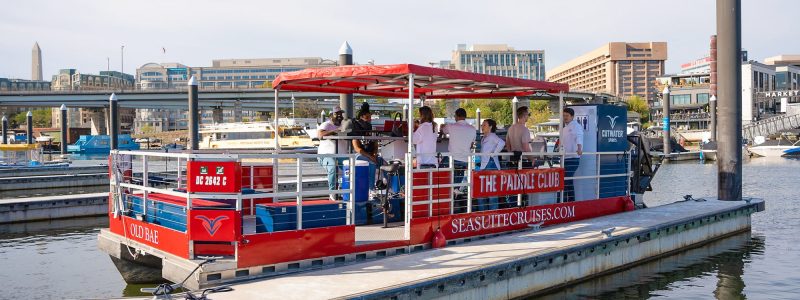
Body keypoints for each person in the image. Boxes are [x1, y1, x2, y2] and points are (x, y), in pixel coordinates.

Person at [440, 108, 476, 187]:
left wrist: (442, 127)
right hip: (465, 159)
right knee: (459, 174)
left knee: (440, 169)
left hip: (453, 158)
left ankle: (447, 189)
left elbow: (443, 130)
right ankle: (456, 189)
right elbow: (471, 145)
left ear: (456, 116)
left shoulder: (451, 126)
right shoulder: (473, 129)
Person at [351, 102, 383, 188]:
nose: (369, 119)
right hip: (360, 155)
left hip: (371, 155)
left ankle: (390, 188)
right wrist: (371, 157)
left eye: (370, 117)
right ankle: (371, 189)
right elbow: (357, 149)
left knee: (386, 164)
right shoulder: (356, 129)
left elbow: (375, 145)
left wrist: (374, 154)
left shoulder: (372, 129)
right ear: (361, 117)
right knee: (372, 163)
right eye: (367, 117)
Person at [317, 107, 344, 197]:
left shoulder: (344, 125)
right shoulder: (326, 124)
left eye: (341, 114)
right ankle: (332, 193)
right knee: (332, 166)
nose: (339, 116)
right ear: (331, 115)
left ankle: (349, 190)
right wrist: (334, 131)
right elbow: (320, 135)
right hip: (325, 155)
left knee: (355, 164)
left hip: (341, 156)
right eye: (337, 114)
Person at [479, 119, 504, 211]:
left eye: (484, 125)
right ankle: (485, 212)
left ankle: (491, 213)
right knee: (484, 192)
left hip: (490, 164)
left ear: (490, 127)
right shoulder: (484, 137)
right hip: (485, 165)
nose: (482, 127)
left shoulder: (492, 136)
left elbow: (502, 143)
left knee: (491, 193)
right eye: (482, 125)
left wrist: (494, 153)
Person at [560, 107, 584, 202]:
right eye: (564, 115)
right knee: (568, 180)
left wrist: (579, 148)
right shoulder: (564, 128)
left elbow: (579, 137)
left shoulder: (576, 126)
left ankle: (565, 201)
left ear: (572, 116)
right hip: (565, 158)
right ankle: (570, 201)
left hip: (573, 158)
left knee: (566, 180)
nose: (565, 117)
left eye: (567, 116)